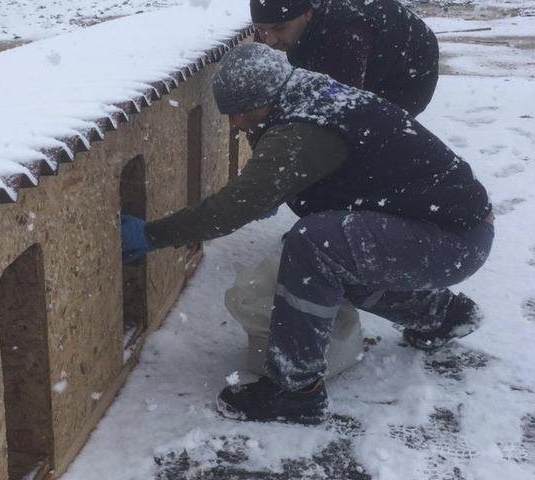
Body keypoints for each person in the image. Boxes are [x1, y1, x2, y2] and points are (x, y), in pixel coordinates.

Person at [120, 43, 493, 424]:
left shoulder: (301, 130)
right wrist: (276, 187)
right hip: (454, 229)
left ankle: (296, 390)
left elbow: (230, 209)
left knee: (315, 246)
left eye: (241, 113)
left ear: (266, 98)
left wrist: (151, 236)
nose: (235, 123)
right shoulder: (305, 91)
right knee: (337, 257)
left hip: (451, 240)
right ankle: (442, 315)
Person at [250, 0, 439, 116]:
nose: (270, 40)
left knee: (356, 132)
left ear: (307, 14)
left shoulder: (345, 35)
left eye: (279, 28)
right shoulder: (269, 30)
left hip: (409, 72)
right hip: (368, 48)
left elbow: (339, 108)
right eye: (261, 29)